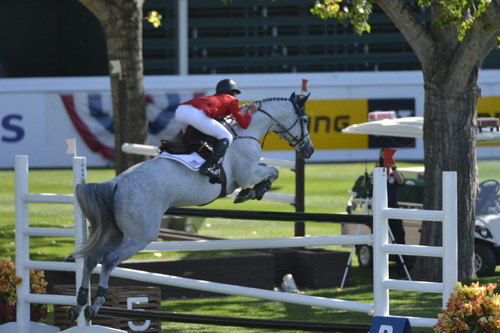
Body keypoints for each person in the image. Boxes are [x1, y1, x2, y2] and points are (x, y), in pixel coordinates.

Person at [175, 79, 258, 184]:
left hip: (180, 111)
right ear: (232, 92)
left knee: (194, 134)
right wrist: (250, 111)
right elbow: (244, 124)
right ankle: (207, 167)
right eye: (235, 93)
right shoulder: (231, 99)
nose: (235, 96)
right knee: (226, 136)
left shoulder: (214, 98)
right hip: (195, 113)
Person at [361, 148, 407, 275]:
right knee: (378, 238)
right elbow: (363, 184)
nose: (384, 161)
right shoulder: (376, 172)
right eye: (382, 158)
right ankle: (378, 267)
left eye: (386, 158)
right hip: (378, 208)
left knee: (398, 237)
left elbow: (401, 181)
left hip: (392, 208)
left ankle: (401, 266)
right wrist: (375, 169)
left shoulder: (393, 173)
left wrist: (393, 167)